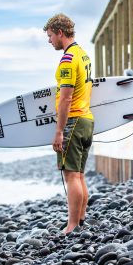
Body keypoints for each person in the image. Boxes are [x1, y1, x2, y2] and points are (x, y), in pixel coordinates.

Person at [44, 13, 94, 234]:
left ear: (60, 33)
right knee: (79, 175)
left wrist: (58, 131)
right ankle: (80, 219)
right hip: (86, 120)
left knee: (71, 175)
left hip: (73, 120)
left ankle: (72, 224)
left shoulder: (67, 60)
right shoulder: (83, 55)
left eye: (50, 36)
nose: (49, 41)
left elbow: (65, 98)